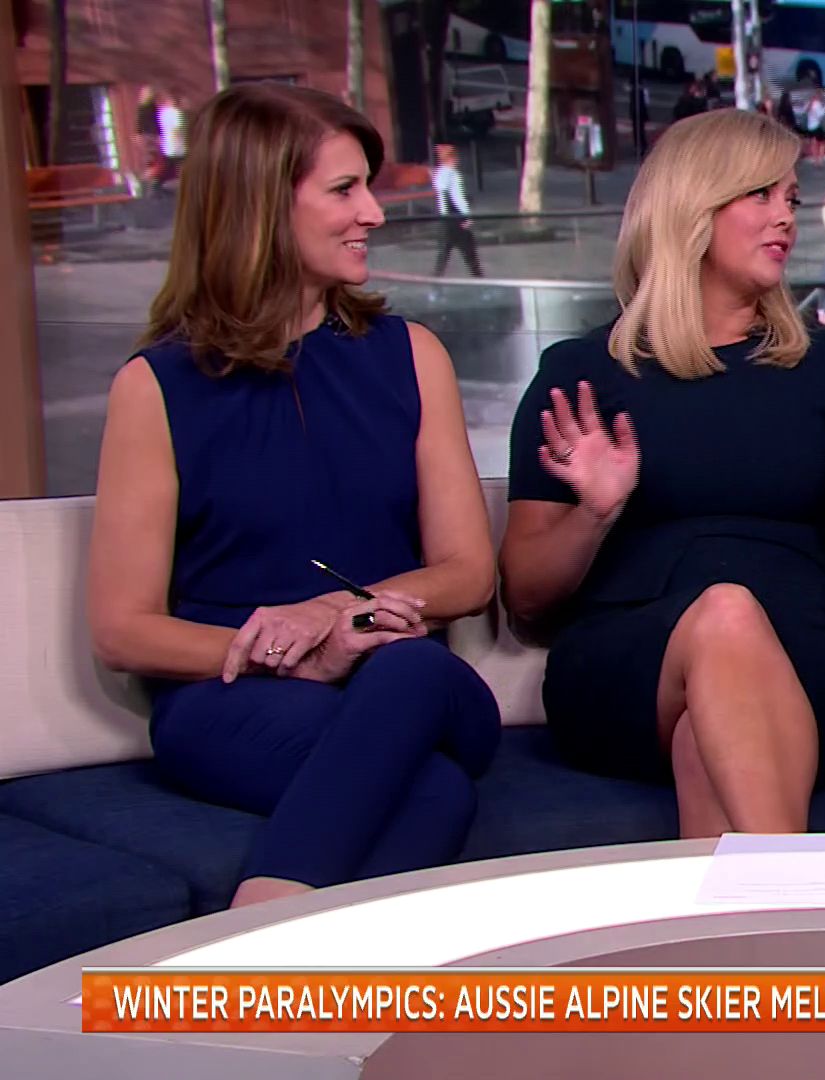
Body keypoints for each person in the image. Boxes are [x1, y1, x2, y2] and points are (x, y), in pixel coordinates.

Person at [87, 83, 501, 909]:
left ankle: (253, 934)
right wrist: (290, 655)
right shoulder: (155, 386)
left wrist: (335, 617)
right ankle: (298, 965)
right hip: (232, 699)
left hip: (413, 680)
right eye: (344, 190)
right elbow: (122, 627)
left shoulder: (412, 355)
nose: (373, 213)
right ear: (262, 207)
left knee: (412, 669)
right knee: (430, 792)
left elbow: (466, 573)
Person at [498, 110, 825, 837]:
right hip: (625, 670)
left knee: (705, 736)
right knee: (725, 614)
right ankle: (791, 889)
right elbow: (526, 598)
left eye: (791, 198)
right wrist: (595, 514)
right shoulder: (580, 375)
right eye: (760, 194)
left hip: (803, 665)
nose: (786, 217)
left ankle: (760, 906)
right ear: (692, 207)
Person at [431, 142, 484, 278]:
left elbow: (442, 198)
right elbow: (458, 198)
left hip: (445, 218)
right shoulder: (454, 175)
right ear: (452, 158)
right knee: (469, 250)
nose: (457, 160)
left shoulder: (439, 174)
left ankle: (436, 281)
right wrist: (467, 216)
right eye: (456, 157)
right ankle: (479, 279)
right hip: (456, 217)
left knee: (443, 252)